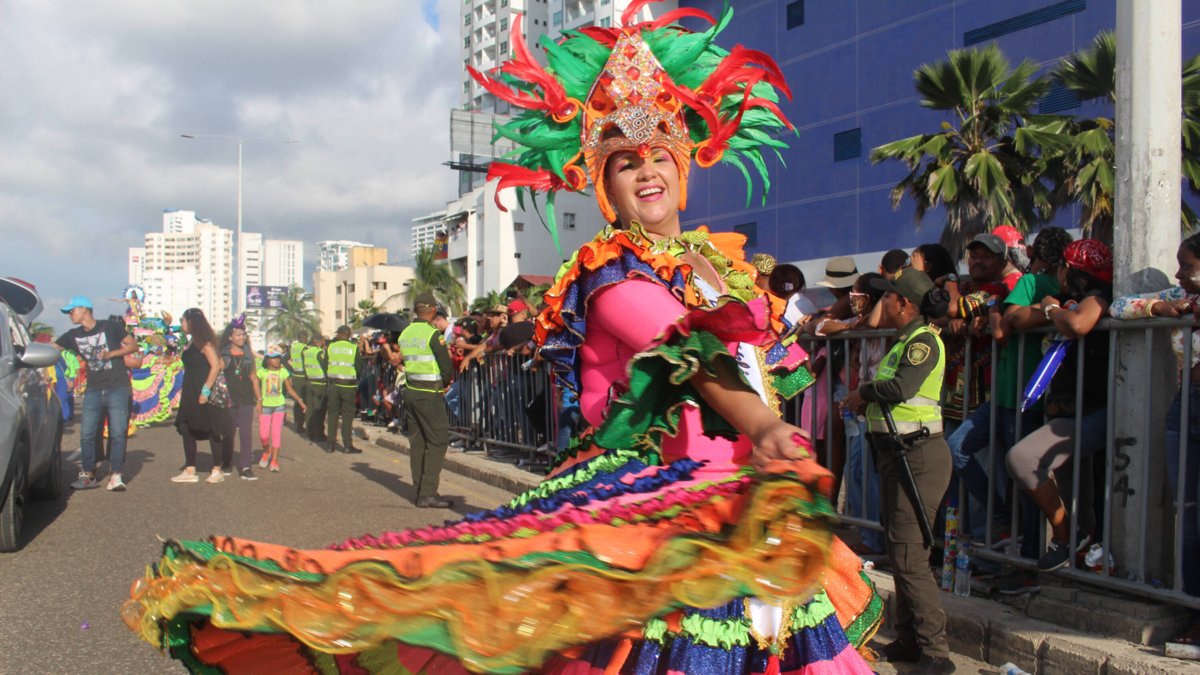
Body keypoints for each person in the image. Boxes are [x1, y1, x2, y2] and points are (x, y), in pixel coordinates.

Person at [124, 6, 877, 672]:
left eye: (659, 156)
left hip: (753, 505)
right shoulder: (610, 276)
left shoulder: (721, 267)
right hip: (662, 518)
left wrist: (776, 447)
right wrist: (765, 426)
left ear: (683, 166)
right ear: (603, 183)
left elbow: (764, 359)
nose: (647, 172)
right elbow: (691, 355)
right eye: (625, 162)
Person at [841, 269, 954, 672]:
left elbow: (901, 388)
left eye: (888, 297)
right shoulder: (904, 340)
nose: (883, 302)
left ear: (904, 303)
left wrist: (862, 394)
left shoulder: (923, 341)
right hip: (898, 455)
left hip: (918, 457)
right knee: (901, 549)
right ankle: (909, 638)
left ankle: (936, 652)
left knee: (909, 556)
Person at [1111, 232, 1200, 645]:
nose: (1178, 274)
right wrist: (1159, 307)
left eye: (1188, 266)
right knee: (1187, 513)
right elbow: (1119, 305)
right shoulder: (1182, 295)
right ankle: (1193, 609)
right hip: (1187, 406)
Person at [1007, 239, 1113, 572]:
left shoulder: (1098, 296)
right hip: (1067, 408)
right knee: (1075, 496)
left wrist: (1053, 311)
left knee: (1022, 458)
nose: (1057, 273)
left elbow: (1078, 324)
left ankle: (1065, 535)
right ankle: (1078, 552)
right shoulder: (1068, 300)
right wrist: (1049, 307)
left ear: (1072, 269)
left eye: (1062, 267)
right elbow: (1016, 318)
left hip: (1093, 410)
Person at [54, 296, 138, 491]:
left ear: (84, 309)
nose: (69, 315)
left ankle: (116, 474)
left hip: (117, 387)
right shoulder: (72, 335)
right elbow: (53, 348)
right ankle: (88, 474)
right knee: (87, 434)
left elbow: (133, 345)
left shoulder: (110, 327)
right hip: (93, 389)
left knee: (117, 433)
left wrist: (112, 354)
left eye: (72, 311)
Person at [397, 292, 454, 507]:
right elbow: (445, 365)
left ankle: (419, 490)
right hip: (429, 393)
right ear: (432, 309)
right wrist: (445, 382)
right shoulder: (433, 334)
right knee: (438, 440)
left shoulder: (405, 333)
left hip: (411, 391)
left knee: (418, 442)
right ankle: (428, 493)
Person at [170, 308, 233, 484]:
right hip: (190, 390)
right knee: (186, 427)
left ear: (191, 321)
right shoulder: (192, 342)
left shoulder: (205, 343)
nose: (181, 323)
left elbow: (216, 366)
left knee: (213, 429)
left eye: (183, 320)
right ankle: (190, 469)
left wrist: (205, 391)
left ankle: (216, 470)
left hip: (205, 390)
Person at [217, 318, 261, 480]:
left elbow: (254, 378)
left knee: (246, 433)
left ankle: (245, 467)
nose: (242, 337)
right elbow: (217, 372)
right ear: (230, 337)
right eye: (238, 335)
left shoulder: (249, 355)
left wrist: (259, 400)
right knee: (228, 433)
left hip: (246, 399)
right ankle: (226, 462)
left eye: (243, 334)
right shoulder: (224, 354)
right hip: (228, 399)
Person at [257, 345, 306, 472]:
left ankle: (274, 461)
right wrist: (258, 401)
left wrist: (299, 400)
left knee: (276, 434)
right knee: (263, 435)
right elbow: (254, 386)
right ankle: (266, 452)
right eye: (274, 358)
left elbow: (289, 389)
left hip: (279, 407)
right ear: (268, 360)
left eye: (278, 358)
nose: (277, 360)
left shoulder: (283, 372)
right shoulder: (262, 372)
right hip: (265, 407)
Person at [324, 325, 360, 454]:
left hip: (334, 385)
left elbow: (325, 364)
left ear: (339, 334)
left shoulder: (331, 347)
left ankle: (330, 445)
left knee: (332, 415)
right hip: (348, 386)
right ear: (349, 335)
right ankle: (347, 446)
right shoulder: (354, 348)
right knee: (347, 416)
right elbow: (359, 367)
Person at [303, 333, 328, 443]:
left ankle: (310, 433)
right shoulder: (319, 352)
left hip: (309, 382)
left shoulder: (306, 351)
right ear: (320, 341)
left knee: (310, 409)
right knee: (319, 410)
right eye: (323, 340)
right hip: (319, 384)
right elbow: (325, 367)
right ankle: (319, 434)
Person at [286, 332, 308, 433]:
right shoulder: (305, 348)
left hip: (296, 376)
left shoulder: (293, 347)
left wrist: (292, 367)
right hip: (303, 377)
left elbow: (285, 359)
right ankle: (300, 425)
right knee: (303, 401)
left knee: (297, 400)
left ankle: (297, 423)